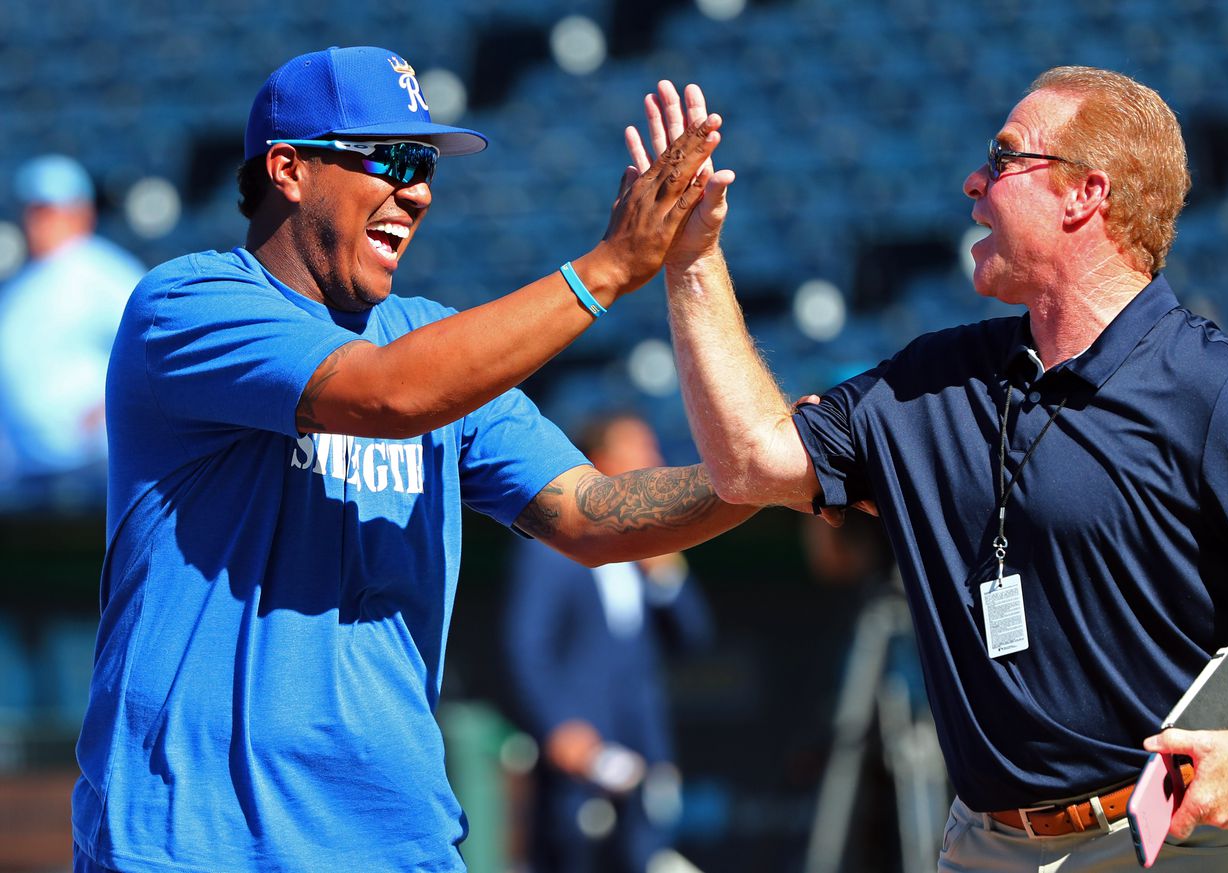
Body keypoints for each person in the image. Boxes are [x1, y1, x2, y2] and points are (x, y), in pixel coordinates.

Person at [71, 46, 754, 873]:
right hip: (196, 841)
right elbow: (388, 395)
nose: (420, 188)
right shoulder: (187, 304)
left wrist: (775, 469)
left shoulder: (430, 339)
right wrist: (608, 268)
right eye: (393, 158)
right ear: (288, 168)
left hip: (397, 844)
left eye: (426, 164)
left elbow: (590, 514)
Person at [628, 71, 1228, 871]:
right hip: (986, 844)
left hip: (1177, 839)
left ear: (1085, 194)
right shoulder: (938, 375)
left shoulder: (1221, 391)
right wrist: (693, 259)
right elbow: (750, 462)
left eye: (1004, 156)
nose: (973, 181)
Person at [503, 411, 713, 873]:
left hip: (644, 750)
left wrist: (666, 575)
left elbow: (694, 637)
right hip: (580, 759)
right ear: (600, 461)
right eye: (639, 449)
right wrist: (559, 726)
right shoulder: (548, 550)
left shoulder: (653, 552)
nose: (654, 461)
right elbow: (527, 646)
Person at [0, 154, 143, 499]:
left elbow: (157, 346)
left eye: (51, 210)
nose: (40, 221)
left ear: (82, 213)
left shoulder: (101, 269)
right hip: (28, 470)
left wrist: (104, 409)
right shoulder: (19, 281)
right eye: (34, 210)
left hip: (93, 469)